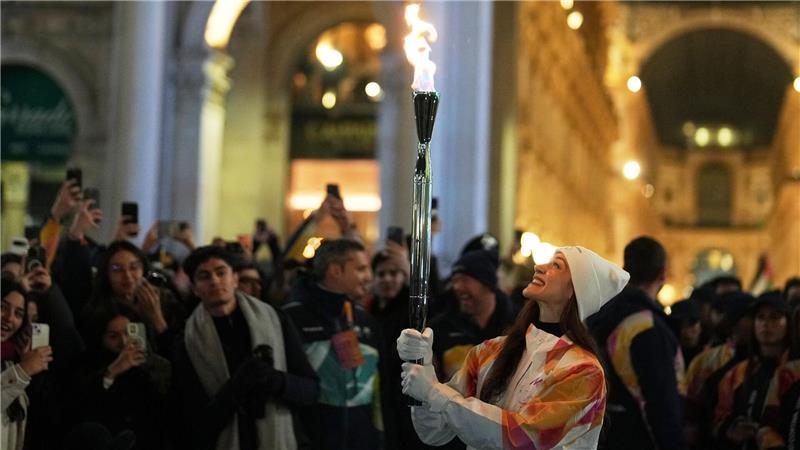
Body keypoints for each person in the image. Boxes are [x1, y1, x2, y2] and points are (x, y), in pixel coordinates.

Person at [398, 246, 629, 449]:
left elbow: (522, 438)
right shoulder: (490, 351)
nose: (539, 266)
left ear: (575, 291)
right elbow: (435, 432)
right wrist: (422, 368)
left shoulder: (582, 371)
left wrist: (433, 391)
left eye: (556, 265)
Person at [172, 246, 318, 450]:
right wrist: (236, 387)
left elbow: (310, 390)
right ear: (195, 288)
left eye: (221, 272)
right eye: (204, 276)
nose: (214, 281)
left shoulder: (275, 321)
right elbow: (194, 423)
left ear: (235, 279)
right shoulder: (187, 341)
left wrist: (274, 380)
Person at [282, 238, 384, 450]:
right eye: (361, 269)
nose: (369, 277)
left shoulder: (365, 320)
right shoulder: (292, 317)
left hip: (363, 440)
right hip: (310, 440)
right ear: (335, 270)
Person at [587, 236, 686, 450]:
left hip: (598, 435)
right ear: (663, 274)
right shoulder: (647, 327)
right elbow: (660, 403)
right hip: (637, 438)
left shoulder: (597, 316)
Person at [71, 304, 171, 450]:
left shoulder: (149, 363)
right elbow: (84, 407)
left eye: (128, 333)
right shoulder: (85, 365)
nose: (123, 342)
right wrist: (112, 372)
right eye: (113, 336)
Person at [713, 293, 795, 449]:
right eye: (760, 317)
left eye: (775, 317)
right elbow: (718, 419)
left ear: (788, 323)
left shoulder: (795, 373)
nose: (766, 324)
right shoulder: (738, 373)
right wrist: (730, 429)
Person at [430, 249, 518, 382]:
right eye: (455, 280)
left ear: (487, 284)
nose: (457, 287)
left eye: (465, 280)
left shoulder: (518, 324)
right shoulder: (439, 329)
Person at [1, 281, 53, 450]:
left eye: (18, 313)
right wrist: (22, 371)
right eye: (2, 307)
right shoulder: (17, 370)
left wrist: (28, 372)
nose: (9, 318)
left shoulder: (9, 360)